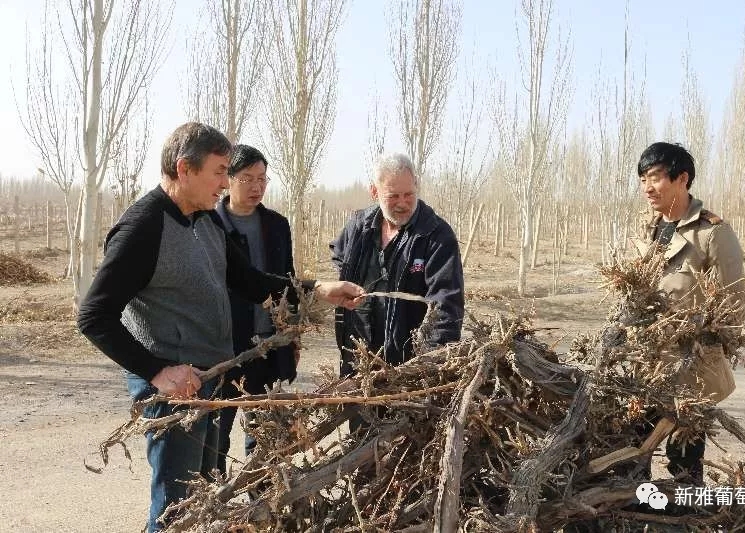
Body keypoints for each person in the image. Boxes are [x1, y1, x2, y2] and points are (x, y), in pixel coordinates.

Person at [77, 122, 363, 533]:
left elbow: (249, 281)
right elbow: (94, 317)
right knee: (177, 509)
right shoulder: (143, 229)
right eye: (219, 171)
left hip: (211, 378)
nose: (225, 181)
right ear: (184, 169)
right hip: (174, 390)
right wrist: (158, 372)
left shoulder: (206, 220)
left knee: (207, 495)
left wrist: (319, 289)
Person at [635, 141, 745, 485]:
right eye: (642, 180)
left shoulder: (712, 232)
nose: (647, 188)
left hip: (691, 368)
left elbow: (734, 301)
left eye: (655, 178)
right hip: (647, 365)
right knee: (630, 445)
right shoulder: (649, 228)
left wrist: (707, 351)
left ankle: (684, 518)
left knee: (683, 457)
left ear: (682, 178)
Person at [330, 152, 465, 382]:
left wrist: (428, 369)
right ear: (375, 192)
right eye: (393, 196)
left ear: (417, 186)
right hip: (358, 366)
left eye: (408, 194)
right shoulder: (359, 227)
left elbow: (446, 309)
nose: (402, 203)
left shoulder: (436, 236)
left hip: (408, 373)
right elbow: (340, 258)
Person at [213, 144, 298, 474]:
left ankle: (262, 514)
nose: (256, 187)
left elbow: (287, 283)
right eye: (247, 178)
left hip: (268, 347)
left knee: (265, 442)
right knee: (213, 440)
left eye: (262, 179)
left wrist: (291, 337)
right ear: (228, 178)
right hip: (223, 351)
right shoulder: (209, 224)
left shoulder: (277, 225)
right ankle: (212, 512)